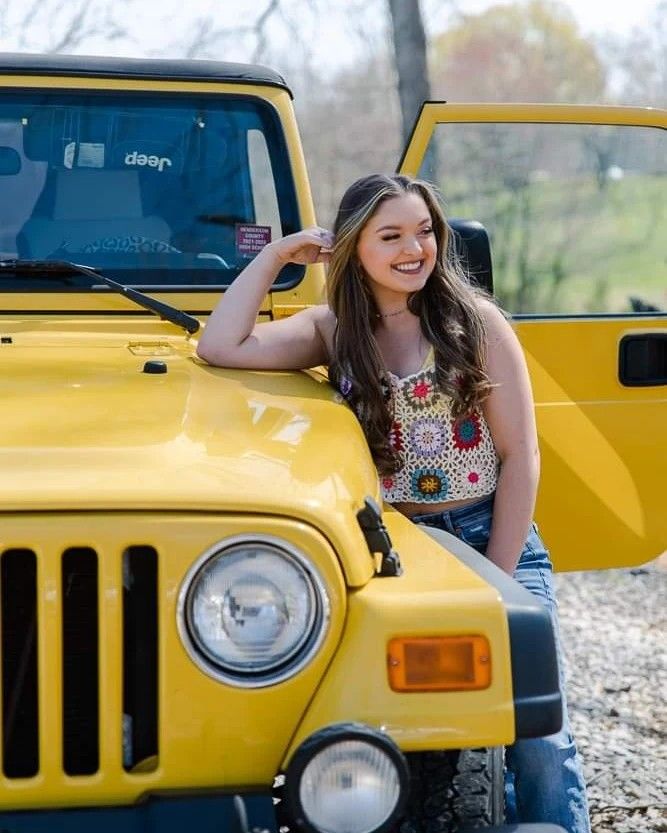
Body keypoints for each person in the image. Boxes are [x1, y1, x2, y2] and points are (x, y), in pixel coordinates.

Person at [196, 173, 591, 833]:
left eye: (424, 230)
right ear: (355, 248)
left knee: (536, 733)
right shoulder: (333, 330)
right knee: (412, 727)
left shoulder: (476, 322)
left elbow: (520, 456)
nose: (415, 248)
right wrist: (273, 256)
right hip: (401, 550)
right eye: (391, 236)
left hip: (493, 534)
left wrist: (493, 575)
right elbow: (220, 345)